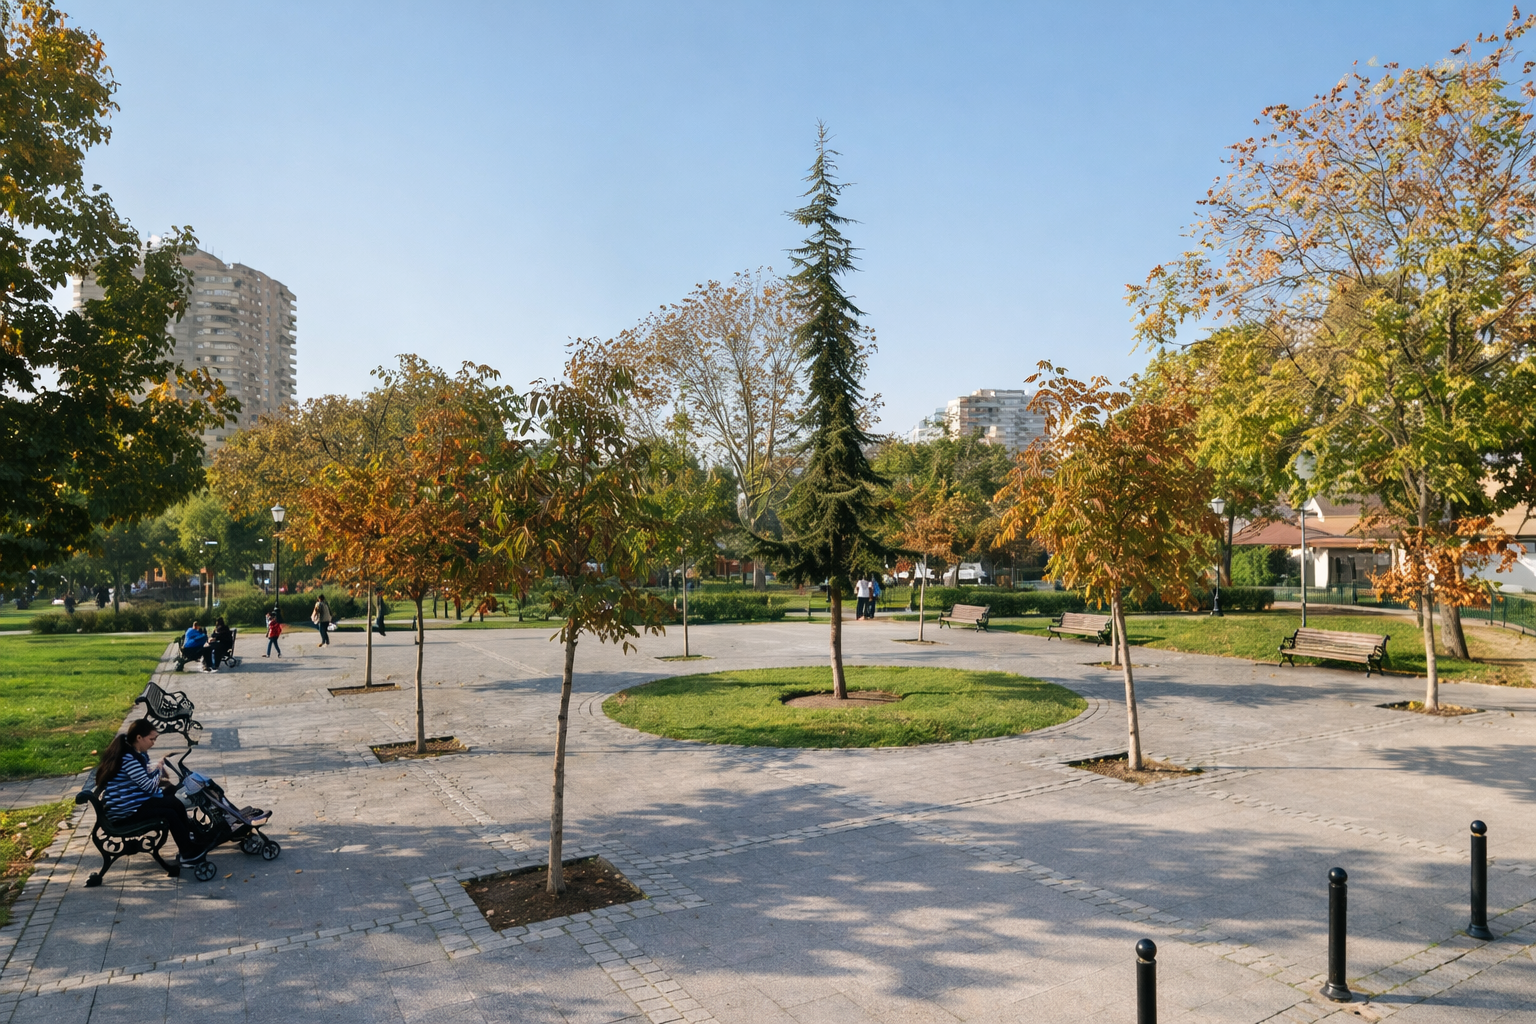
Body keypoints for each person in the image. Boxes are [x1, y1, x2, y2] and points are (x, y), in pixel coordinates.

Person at [94, 719, 208, 869]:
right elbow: (149, 786)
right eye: (151, 739)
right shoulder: (129, 759)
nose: (153, 743)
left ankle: (188, 843)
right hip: (125, 812)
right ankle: (188, 853)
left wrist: (155, 768)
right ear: (139, 738)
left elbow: (143, 775)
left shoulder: (132, 753)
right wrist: (158, 769)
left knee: (175, 802)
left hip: (132, 803)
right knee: (170, 812)